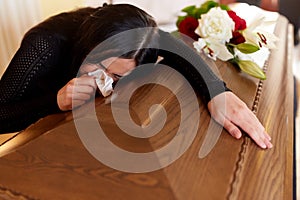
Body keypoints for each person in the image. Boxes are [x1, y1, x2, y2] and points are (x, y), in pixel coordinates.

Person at [0, 3, 272, 149]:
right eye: (96, 65)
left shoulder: (139, 40)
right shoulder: (45, 46)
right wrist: (55, 101)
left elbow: (179, 47)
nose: (100, 80)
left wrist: (218, 92)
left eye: (115, 77)